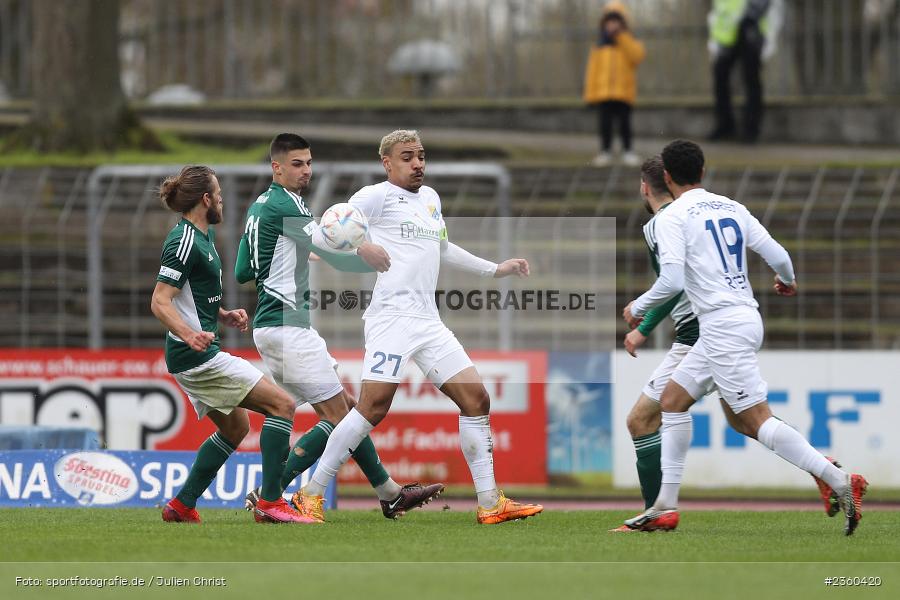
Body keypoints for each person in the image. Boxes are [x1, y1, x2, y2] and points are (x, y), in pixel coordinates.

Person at [292, 129, 544, 524]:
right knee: (372, 408)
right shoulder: (374, 196)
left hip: (428, 321)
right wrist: (359, 248)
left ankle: (490, 503)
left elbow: (442, 247)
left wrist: (496, 269)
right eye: (407, 157)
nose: (417, 164)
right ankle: (310, 495)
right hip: (391, 318)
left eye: (421, 156)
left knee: (476, 399)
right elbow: (331, 228)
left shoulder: (430, 199)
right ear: (387, 163)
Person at [620, 140, 867, 535]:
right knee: (673, 401)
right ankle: (664, 506)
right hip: (741, 318)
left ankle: (839, 480)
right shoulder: (731, 206)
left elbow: (672, 280)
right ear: (702, 172)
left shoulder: (671, 217)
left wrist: (638, 306)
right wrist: (785, 281)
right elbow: (780, 256)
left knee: (755, 420)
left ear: (666, 177)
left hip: (721, 326)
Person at [236, 133, 444, 520]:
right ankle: (270, 494)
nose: (306, 171)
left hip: (272, 326)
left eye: (309, 163)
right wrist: (369, 255)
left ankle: (390, 492)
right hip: (288, 325)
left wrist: (294, 254)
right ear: (276, 167)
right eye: (297, 164)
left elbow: (243, 270)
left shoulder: (259, 206)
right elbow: (335, 248)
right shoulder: (286, 204)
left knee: (348, 409)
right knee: (340, 417)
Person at [151, 165, 314, 524]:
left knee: (236, 428)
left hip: (192, 353)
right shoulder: (184, 241)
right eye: (219, 195)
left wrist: (222, 314)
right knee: (283, 405)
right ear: (205, 199)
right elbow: (161, 301)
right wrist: (190, 334)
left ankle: (181, 505)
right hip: (196, 356)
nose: (223, 200)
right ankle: (271, 503)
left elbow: (188, 297)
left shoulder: (201, 237)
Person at [707, 0, 783, 143]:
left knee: (751, 80)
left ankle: (751, 129)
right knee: (720, 78)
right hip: (726, 34)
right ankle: (725, 125)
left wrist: (751, 17)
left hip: (751, 28)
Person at [582, 1, 645, 167]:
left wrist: (621, 37)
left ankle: (628, 151)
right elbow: (592, 72)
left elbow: (637, 57)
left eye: (616, 21)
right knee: (605, 124)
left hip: (624, 92)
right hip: (604, 93)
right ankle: (605, 151)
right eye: (609, 21)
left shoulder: (628, 42)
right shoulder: (599, 46)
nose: (612, 25)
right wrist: (590, 94)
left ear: (623, 23)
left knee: (625, 123)